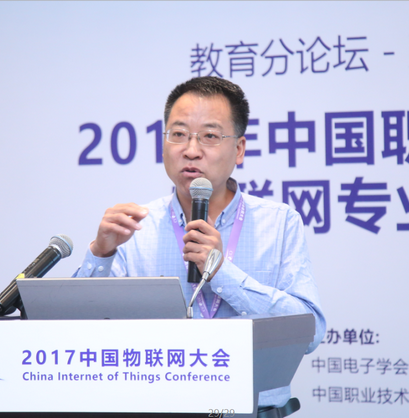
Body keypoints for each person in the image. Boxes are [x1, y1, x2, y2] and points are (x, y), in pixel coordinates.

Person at [75, 76, 325, 410]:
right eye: (178, 134)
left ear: (239, 149)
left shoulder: (279, 223)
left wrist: (224, 274)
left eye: (209, 136)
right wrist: (101, 253)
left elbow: (310, 331)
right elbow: (77, 334)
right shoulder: (135, 227)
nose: (191, 150)